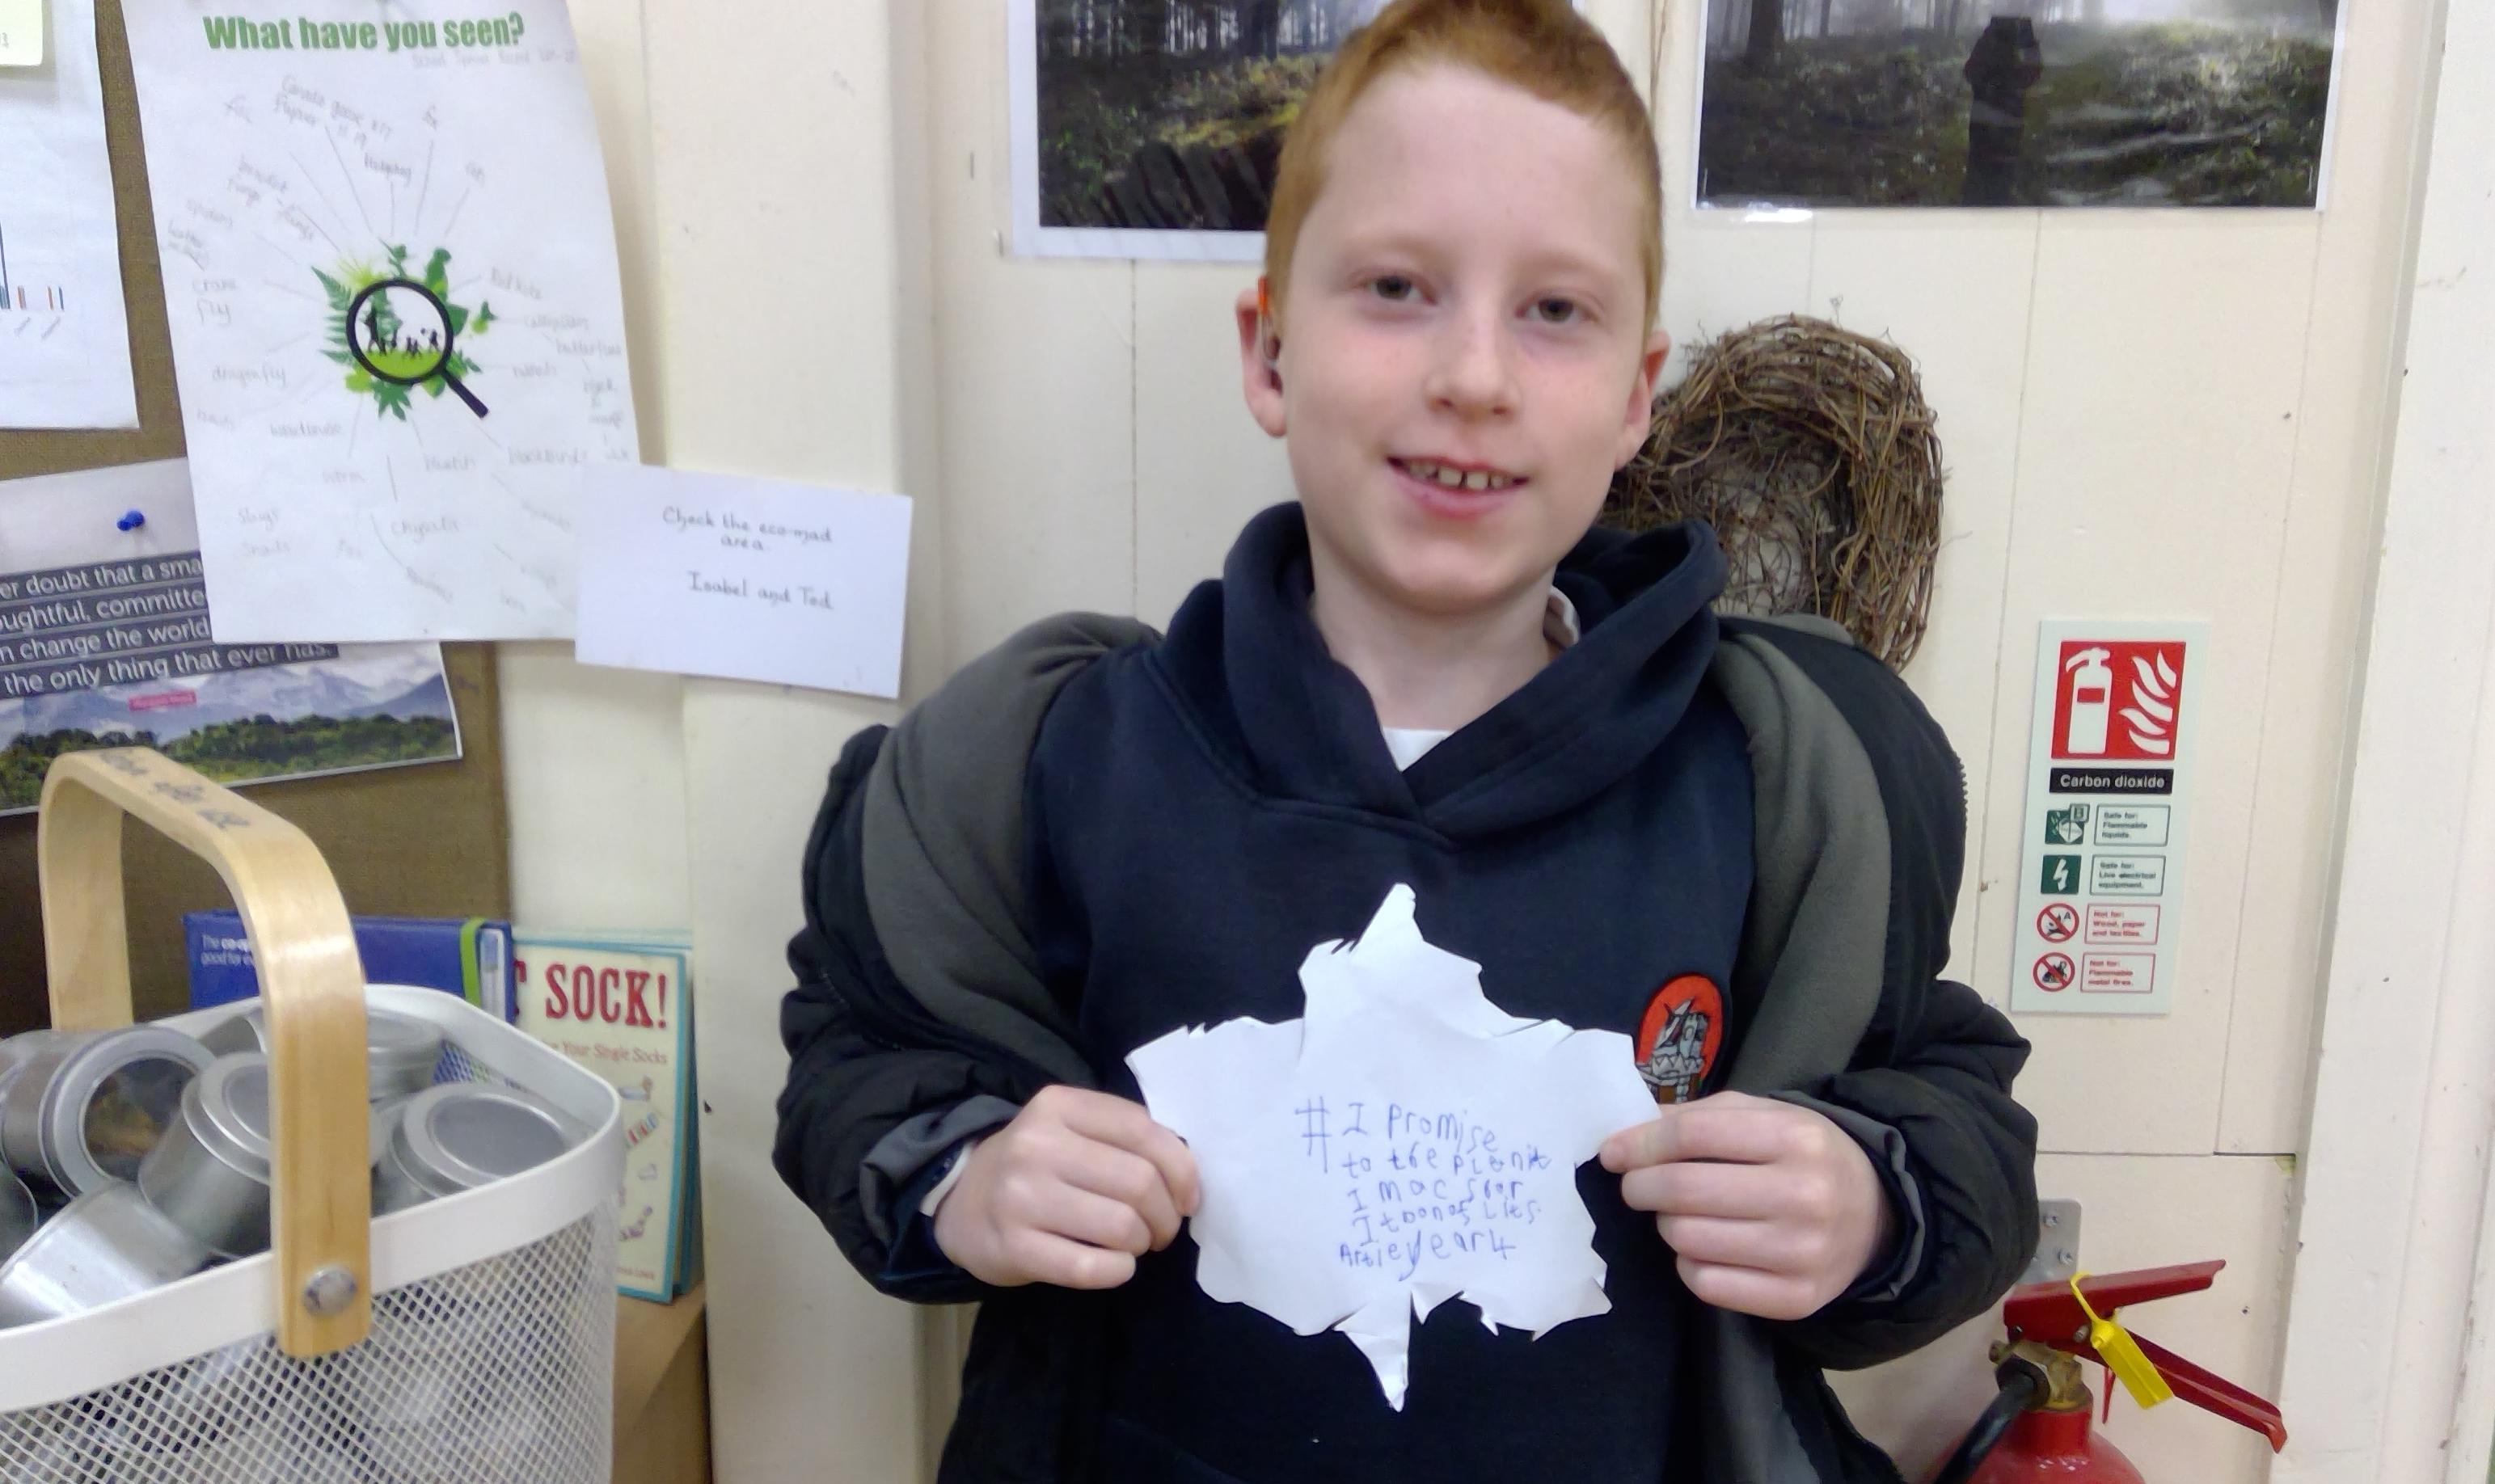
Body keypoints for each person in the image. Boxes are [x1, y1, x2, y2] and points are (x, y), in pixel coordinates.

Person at [772, 2, 2037, 1480]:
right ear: (1270, 351)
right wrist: (967, 1183)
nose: (1476, 376)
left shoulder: (1773, 783)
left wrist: (1870, 1207)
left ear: (1636, 395)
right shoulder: (1061, 762)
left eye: (1554, 310)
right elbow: (856, 1053)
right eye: (1396, 288)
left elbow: (1955, 1107)